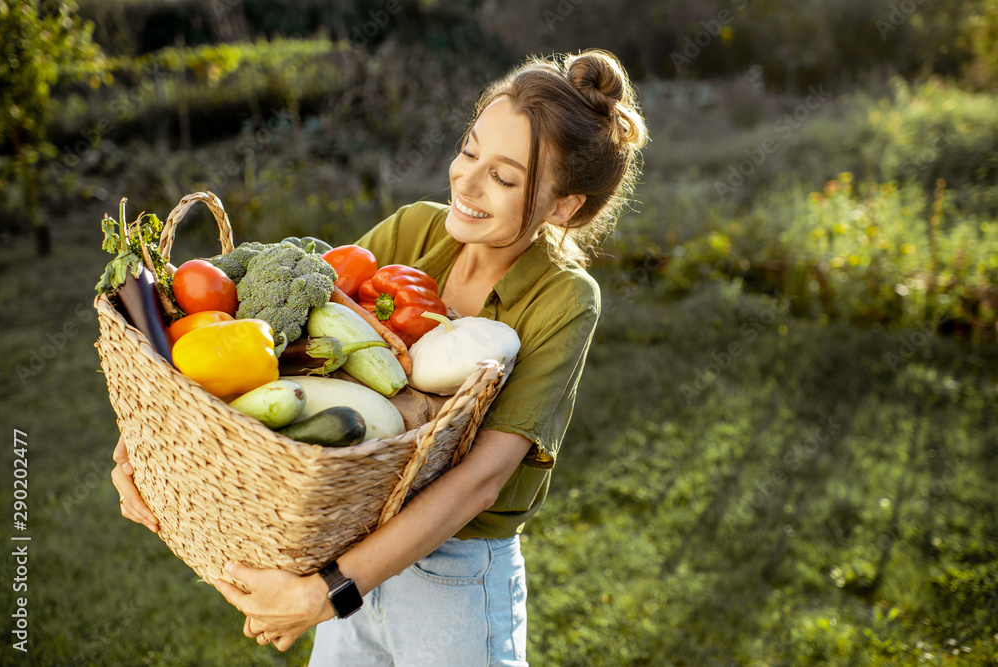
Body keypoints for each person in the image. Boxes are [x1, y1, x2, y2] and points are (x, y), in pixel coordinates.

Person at [112, 47, 647, 665]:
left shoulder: (564, 299)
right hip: (351, 538)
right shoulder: (415, 230)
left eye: (504, 177)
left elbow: (481, 480)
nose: (467, 184)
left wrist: (327, 593)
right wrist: (151, 445)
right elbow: (271, 350)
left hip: (453, 579)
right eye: (469, 151)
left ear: (562, 206)